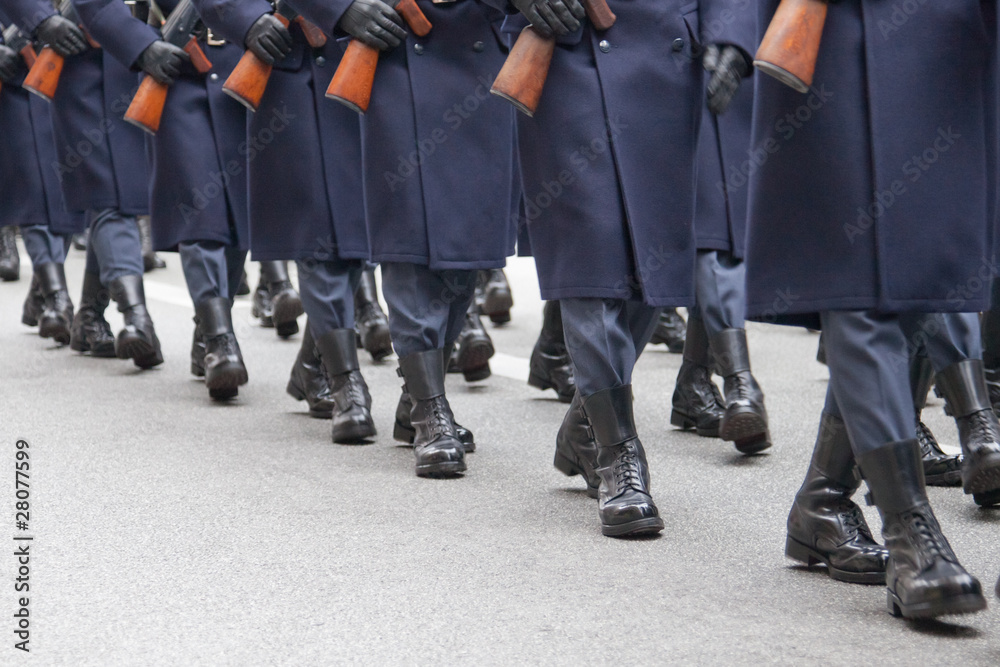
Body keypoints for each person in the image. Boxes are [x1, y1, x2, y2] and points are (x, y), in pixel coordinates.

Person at [750, 0, 994, 619]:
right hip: (836, 40)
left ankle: (823, 500)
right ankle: (912, 538)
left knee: (923, 288)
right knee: (858, 288)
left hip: (955, 41)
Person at [501, 0, 750, 535]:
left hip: (671, 63)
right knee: (590, 262)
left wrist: (734, 36)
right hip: (569, 47)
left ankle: (586, 425)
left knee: (649, 276)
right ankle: (619, 457)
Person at [291, 0, 517, 476]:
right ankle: (431, 410)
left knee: (468, 250)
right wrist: (342, 9)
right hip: (396, 45)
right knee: (409, 238)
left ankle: (412, 399)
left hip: (479, 53)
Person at [196, 0, 378, 441]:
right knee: (315, 234)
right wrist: (246, 18)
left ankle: (311, 365)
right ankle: (346, 385)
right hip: (289, 60)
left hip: (363, 53)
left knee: (358, 239)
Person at [2, 0, 163, 368]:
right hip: (74, 55)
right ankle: (136, 317)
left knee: (122, 195)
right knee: (104, 193)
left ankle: (89, 315)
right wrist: (41, 20)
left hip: (138, 56)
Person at [136, 0, 251, 400]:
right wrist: (141, 46)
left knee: (238, 220)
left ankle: (207, 328)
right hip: (175, 67)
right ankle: (220, 342)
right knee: (200, 216)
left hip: (244, 67)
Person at [670, 45, 769, 451]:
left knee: (723, 226)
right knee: (713, 228)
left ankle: (695, 381)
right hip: (667, 47)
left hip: (738, 59)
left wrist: (740, 40)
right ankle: (740, 384)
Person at [0, 11, 84, 344]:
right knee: (33, 191)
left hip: (65, 67)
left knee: (63, 190)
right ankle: (56, 298)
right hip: (13, 79)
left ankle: (40, 294)